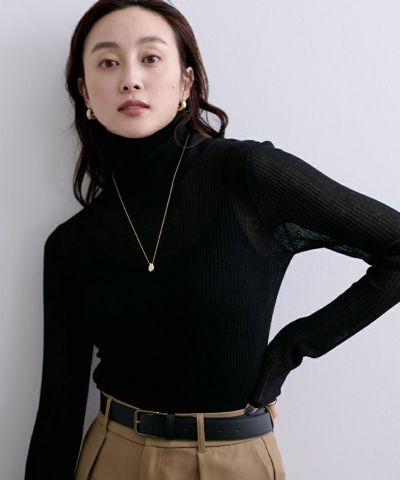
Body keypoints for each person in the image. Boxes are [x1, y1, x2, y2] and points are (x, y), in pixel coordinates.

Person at [24, 1, 400, 479]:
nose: (131, 79)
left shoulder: (247, 175)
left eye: (150, 58)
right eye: (108, 62)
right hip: (113, 456)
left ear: (185, 83)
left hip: (234, 460)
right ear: (85, 92)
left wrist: (292, 348)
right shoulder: (71, 244)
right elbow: (58, 413)